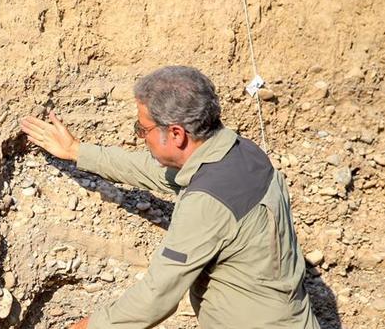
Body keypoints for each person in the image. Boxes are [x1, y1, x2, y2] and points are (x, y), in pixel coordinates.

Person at [20, 66, 320, 329]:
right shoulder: (242, 153)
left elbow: (156, 297)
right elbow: (157, 171)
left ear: (176, 134)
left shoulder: (207, 202)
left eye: (143, 129)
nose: (141, 136)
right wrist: (78, 152)